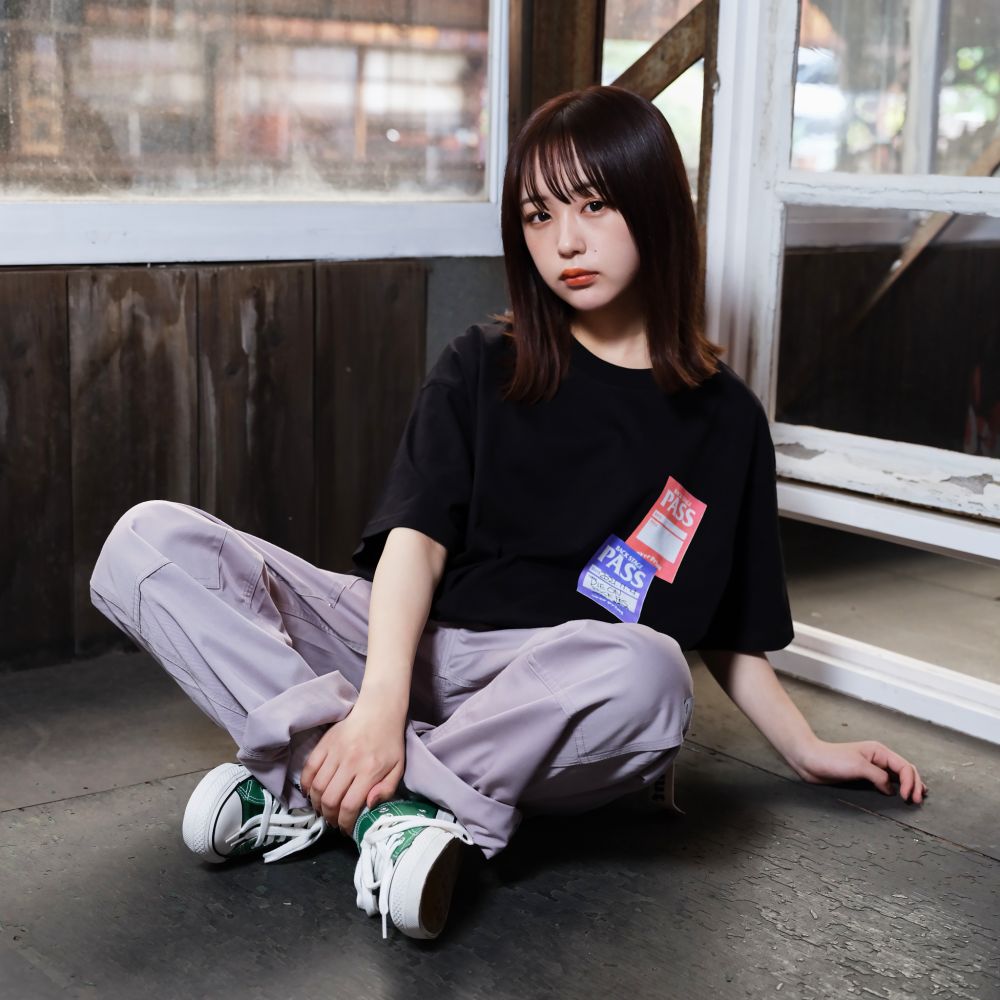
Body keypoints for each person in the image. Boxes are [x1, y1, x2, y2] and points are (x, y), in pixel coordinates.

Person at [89, 85, 927, 943]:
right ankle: (388, 805)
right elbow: (415, 542)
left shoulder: (728, 421)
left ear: (656, 207)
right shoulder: (482, 362)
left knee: (652, 672)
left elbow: (728, 631)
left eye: (593, 205)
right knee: (148, 542)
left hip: (551, 697)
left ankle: (312, 780)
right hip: (410, 646)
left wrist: (807, 748)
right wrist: (379, 704)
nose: (565, 241)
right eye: (537, 214)